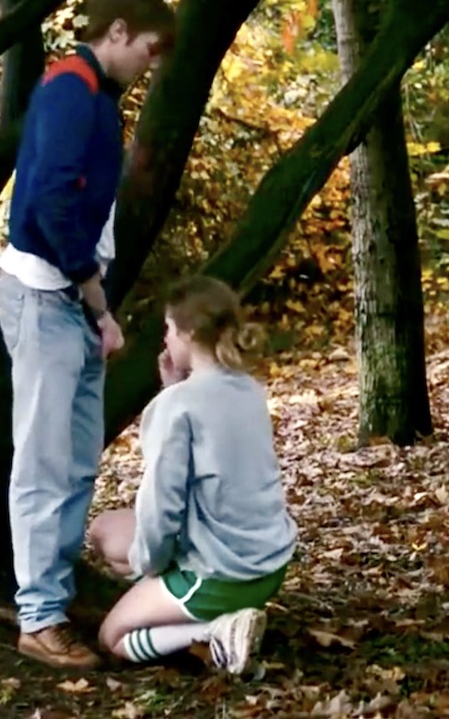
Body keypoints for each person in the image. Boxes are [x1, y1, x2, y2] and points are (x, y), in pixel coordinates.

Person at [0, 0, 176, 670]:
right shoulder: (71, 91)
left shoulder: (93, 96)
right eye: (149, 50)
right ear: (119, 31)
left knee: (74, 463)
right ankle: (39, 618)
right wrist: (95, 296)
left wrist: (94, 308)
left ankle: (50, 596)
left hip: (70, 301)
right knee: (44, 463)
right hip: (47, 296)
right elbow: (49, 204)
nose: (150, 66)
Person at [87, 276, 299, 677]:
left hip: (223, 575)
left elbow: (161, 507)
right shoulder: (249, 389)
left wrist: (150, 567)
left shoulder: (177, 406)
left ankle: (216, 632)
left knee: (111, 637)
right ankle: (185, 605)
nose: (165, 339)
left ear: (188, 333)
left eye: (169, 328)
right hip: (270, 565)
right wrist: (174, 389)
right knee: (104, 531)